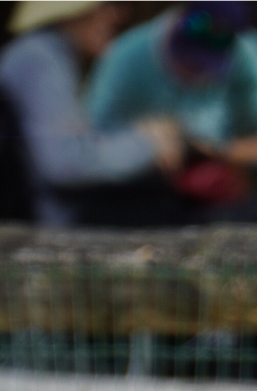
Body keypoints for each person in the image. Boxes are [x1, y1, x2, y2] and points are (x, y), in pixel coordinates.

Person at [86, 3, 257, 221]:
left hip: (225, 185)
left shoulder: (246, 51)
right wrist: (142, 141)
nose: (196, 76)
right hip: (151, 187)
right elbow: (88, 145)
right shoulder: (126, 56)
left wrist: (219, 155)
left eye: (204, 69)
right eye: (188, 63)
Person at [0, 0, 182, 224]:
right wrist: (149, 143)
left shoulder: (50, 54)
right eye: (107, 5)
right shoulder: (39, 56)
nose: (119, 15)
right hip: (52, 227)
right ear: (68, 10)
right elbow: (66, 163)